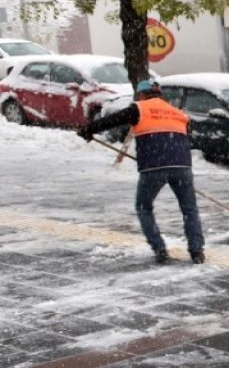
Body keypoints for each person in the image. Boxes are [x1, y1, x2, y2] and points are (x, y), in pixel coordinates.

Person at [79, 79, 205, 265]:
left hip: (153, 167)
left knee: (143, 207)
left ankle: (159, 248)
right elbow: (188, 139)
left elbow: (112, 120)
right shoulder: (178, 113)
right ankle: (197, 252)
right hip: (182, 167)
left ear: (142, 95)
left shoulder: (138, 108)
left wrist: (87, 130)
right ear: (159, 94)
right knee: (189, 209)